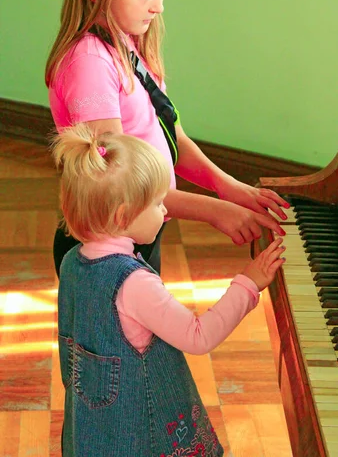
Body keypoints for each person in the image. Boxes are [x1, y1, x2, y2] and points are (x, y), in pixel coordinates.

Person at [45, 0, 289, 277]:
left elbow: (168, 135)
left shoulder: (125, 44)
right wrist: (213, 211)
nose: (158, 7)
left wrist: (226, 186)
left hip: (138, 231)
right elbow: (120, 185)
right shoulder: (90, 65)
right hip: (102, 251)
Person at [52, 123, 286, 457]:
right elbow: (198, 336)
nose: (165, 213)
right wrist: (248, 283)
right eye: (158, 204)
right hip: (139, 434)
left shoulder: (73, 262)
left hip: (94, 430)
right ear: (123, 215)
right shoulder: (134, 285)